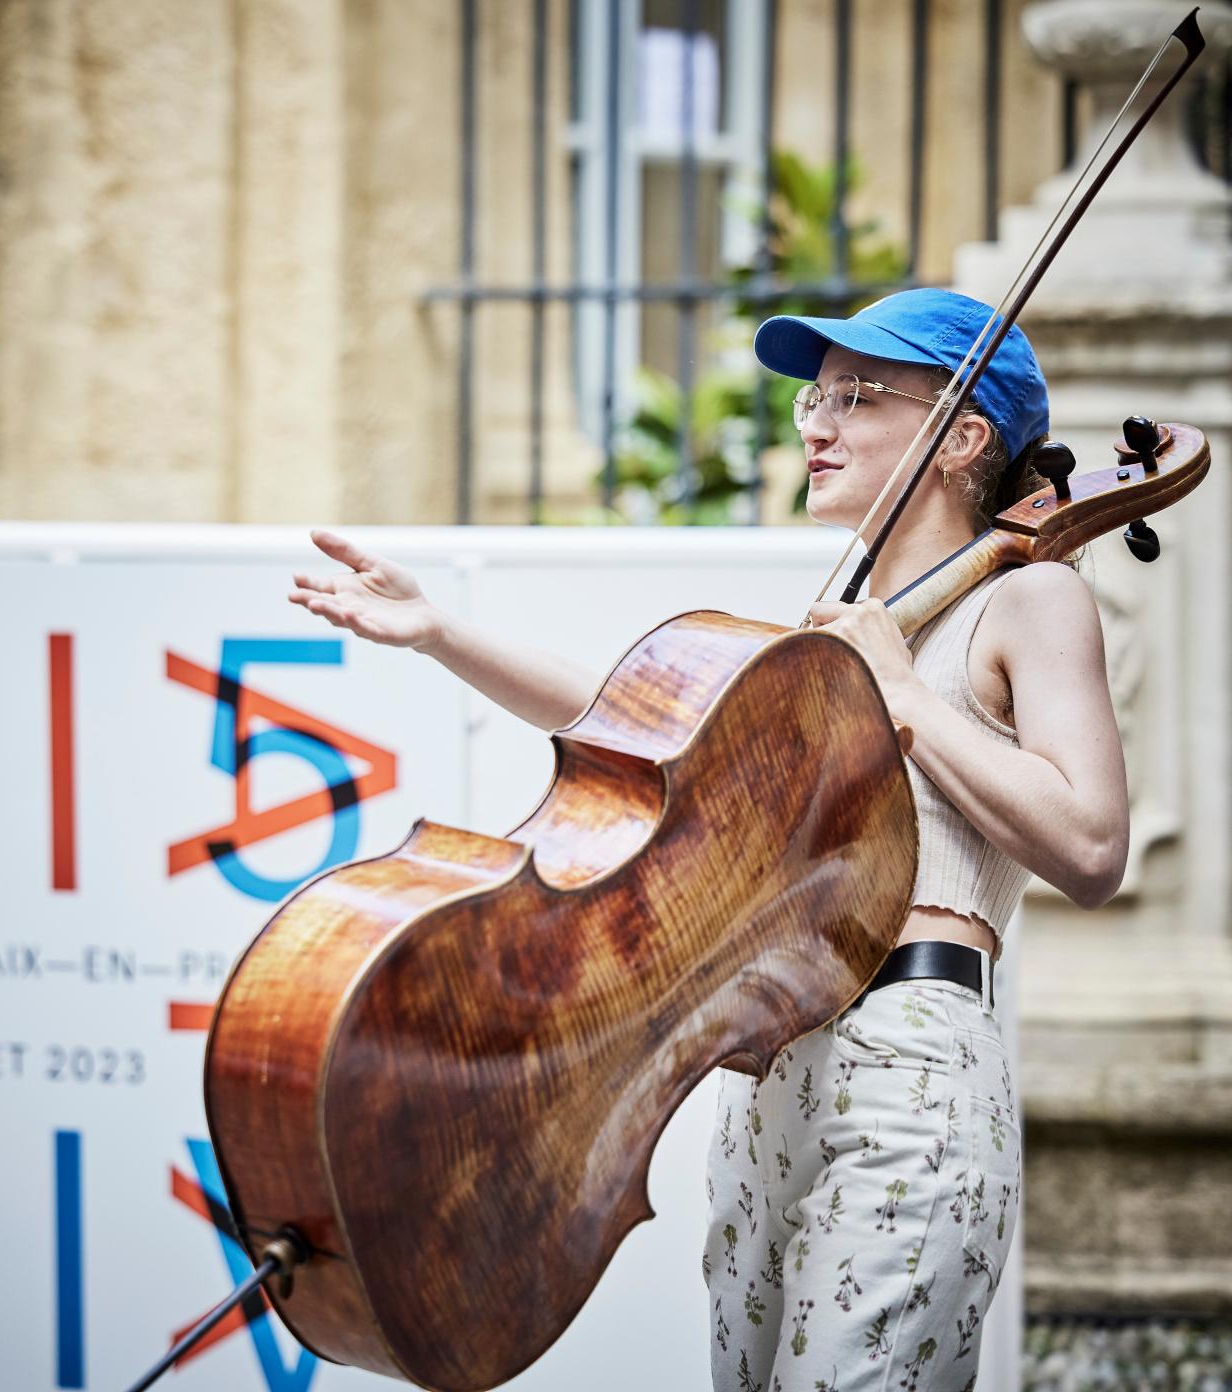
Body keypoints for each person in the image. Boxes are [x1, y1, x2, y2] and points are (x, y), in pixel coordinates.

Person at [285, 287, 1129, 1392]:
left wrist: (902, 697)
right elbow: (639, 729)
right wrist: (442, 633)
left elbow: (1093, 842)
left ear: (962, 436)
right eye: (810, 399)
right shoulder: (839, 622)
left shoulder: (1029, 602)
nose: (813, 424)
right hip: (766, 1067)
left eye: (854, 395)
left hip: (912, 1063)